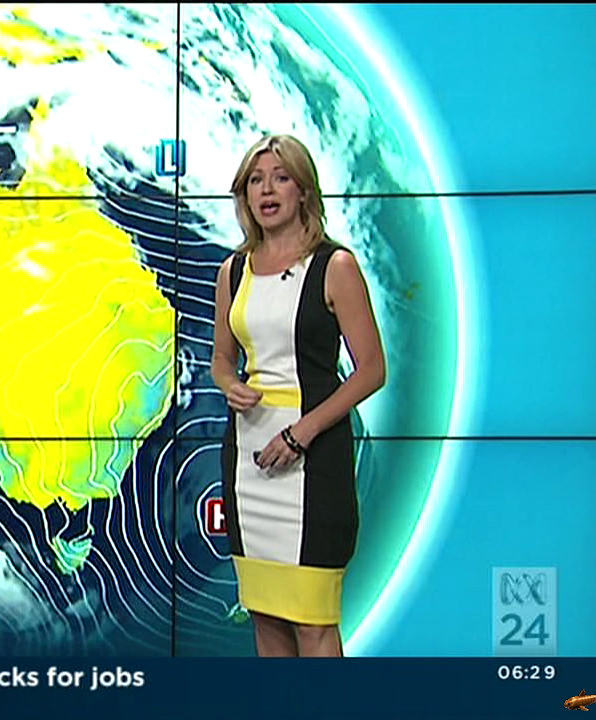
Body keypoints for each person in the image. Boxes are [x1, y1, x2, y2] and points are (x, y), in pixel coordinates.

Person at [210, 134, 385, 657]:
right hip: (249, 464)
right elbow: (221, 360)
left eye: (280, 178)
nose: (267, 190)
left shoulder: (335, 266)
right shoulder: (233, 271)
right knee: (266, 618)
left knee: (312, 622)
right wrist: (230, 384)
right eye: (256, 180)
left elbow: (371, 371)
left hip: (314, 463)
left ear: (303, 190)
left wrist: (300, 433)